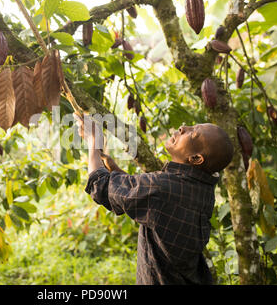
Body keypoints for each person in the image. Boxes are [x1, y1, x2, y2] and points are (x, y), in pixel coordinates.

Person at [74, 114, 234, 285]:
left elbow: (99, 185)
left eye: (193, 133)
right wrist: (116, 171)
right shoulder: (202, 188)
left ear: (196, 159)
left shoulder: (163, 188)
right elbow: (149, 201)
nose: (183, 128)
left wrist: (93, 141)